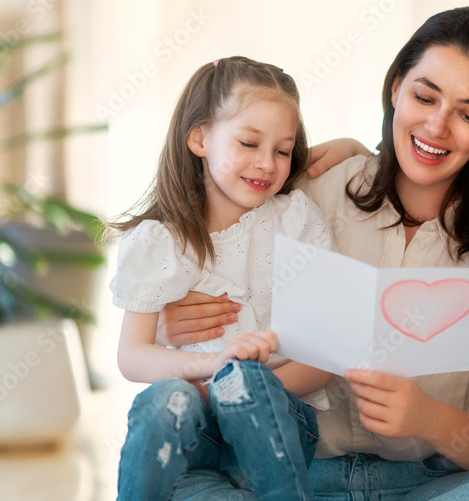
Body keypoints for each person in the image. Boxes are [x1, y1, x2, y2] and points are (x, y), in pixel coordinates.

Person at [157, 7, 469, 500]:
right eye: (424, 97)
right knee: (175, 477)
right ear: (395, 89)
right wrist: (170, 319)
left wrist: (432, 420)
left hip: (429, 483)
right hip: (291, 476)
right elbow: (200, 236)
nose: (437, 127)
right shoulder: (309, 192)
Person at [109, 56, 336, 501]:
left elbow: (321, 363)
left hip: (282, 423)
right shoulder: (158, 241)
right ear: (199, 138)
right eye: (249, 143)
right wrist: (215, 370)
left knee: (246, 383)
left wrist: (236, 386)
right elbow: (132, 356)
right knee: (163, 401)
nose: (267, 164)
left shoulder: (295, 221)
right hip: (197, 436)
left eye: (283, 150)